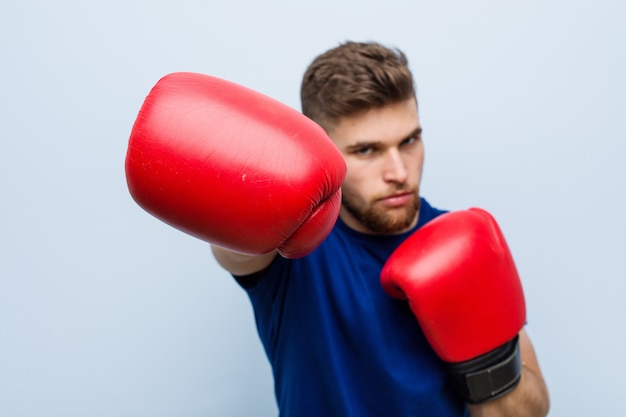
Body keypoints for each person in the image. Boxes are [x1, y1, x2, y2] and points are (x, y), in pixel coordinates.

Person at [126, 41, 550, 416]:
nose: (399, 171)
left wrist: (487, 363)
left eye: (409, 140)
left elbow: (527, 413)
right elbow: (234, 251)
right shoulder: (293, 248)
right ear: (326, 155)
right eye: (367, 150)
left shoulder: (462, 242)